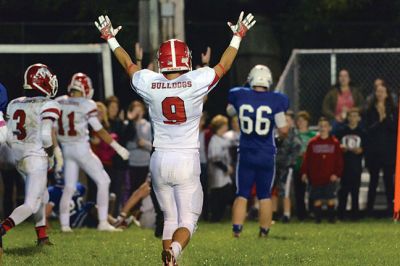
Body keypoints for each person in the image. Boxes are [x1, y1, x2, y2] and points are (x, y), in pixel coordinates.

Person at [95, 11, 255, 265]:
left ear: (161, 62)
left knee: (169, 218)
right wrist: (237, 36)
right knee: (188, 220)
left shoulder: (150, 82)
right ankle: (175, 252)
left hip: (159, 160)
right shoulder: (196, 80)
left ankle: (169, 263)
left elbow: (128, 65)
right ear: (186, 60)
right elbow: (223, 65)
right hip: (185, 159)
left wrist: (111, 39)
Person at [55, 73, 129, 232]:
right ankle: (103, 222)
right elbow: (100, 130)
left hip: (66, 149)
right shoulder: (87, 104)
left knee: (69, 187)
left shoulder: (60, 101)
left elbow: (52, 128)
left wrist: (55, 150)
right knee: (104, 181)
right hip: (81, 149)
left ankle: (64, 224)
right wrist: (118, 148)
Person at [0, 63, 61, 251]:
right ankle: (2, 229)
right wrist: (50, 154)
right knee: (31, 204)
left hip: (18, 157)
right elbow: (45, 136)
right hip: (36, 157)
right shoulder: (49, 103)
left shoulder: (14, 102)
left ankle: (42, 236)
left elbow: (9, 136)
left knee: (43, 194)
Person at [227, 64, 289, 238]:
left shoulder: (239, 95)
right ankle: (264, 232)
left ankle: (237, 231)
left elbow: (230, 110)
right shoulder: (276, 100)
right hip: (266, 152)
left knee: (242, 194)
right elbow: (283, 129)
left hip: (246, 151)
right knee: (264, 195)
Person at [301, 117, 343, 223]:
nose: (323, 128)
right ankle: (318, 219)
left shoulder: (334, 142)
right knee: (317, 198)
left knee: (330, 198)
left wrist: (336, 173)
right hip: (316, 176)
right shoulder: (313, 143)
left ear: (329, 128)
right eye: (321, 126)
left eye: (325, 126)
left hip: (330, 176)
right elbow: (307, 159)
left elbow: (339, 160)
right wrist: (305, 172)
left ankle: (331, 219)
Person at [364, 83, 397, 216]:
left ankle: (392, 209)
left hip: (388, 151)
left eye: (382, 91)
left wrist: (385, 118)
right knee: (373, 181)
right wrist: (380, 121)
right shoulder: (370, 110)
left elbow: (394, 129)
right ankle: (369, 210)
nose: (380, 94)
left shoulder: (393, 110)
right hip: (374, 152)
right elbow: (368, 130)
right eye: (378, 91)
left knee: (389, 181)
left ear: (387, 94)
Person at [336, 108, 365, 220]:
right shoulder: (341, 132)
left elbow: (366, 147)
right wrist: (340, 148)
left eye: (355, 116)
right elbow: (336, 143)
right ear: (347, 118)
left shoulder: (362, 133)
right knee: (343, 190)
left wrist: (361, 150)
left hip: (356, 165)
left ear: (359, 118)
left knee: (355, 191)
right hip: (344, 165)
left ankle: (355, 215)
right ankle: (341, 214)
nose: (353, 118)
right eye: (351, 116)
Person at [275, 110, 302, 223]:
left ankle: (287, 214)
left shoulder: (293, 135)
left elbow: (296, 149)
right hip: (276, 165)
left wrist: (290, 163)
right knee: (277, 189)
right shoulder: (278, 134)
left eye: (287, 120)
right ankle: (275, 212)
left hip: (287, 166)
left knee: (286, 190)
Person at [207, 115, 234, 222]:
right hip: (217, 173)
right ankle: (215, 218)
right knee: (218, 196)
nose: (227, 127)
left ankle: (219, 217)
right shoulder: (214, 140)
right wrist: (225, 168)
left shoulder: (223, 139)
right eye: (225, 125)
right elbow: (214, 158)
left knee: (225, 194)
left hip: (224, 173)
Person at [322, 69, 364, 133]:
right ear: (338, 79)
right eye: (341, 76)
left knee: (362, 126)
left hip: (353, 119)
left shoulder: (355, 92)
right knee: (333, 127)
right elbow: (325, 108)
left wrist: (352, 110)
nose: (343, 78)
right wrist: (335, 117)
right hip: (337, 119)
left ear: (349, 79)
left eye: (345, 76)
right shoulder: (332, 93)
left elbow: (362, 106)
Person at [294, 111, 317, 220]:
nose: (300, 123)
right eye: (298, 121)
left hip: (311, 166)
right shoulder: (294, 135)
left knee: (312, 190)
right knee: (299, 192)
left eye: (303, 121)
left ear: (307, 122)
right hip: (297, 165)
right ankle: (301, 214)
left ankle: (312, 211)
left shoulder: (313, 136)